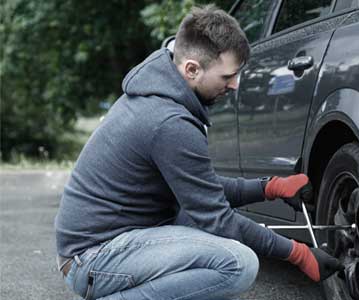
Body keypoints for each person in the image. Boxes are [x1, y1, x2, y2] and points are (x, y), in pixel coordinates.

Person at [54, 5, 343, 300]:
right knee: (236, 264)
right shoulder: (169, 123)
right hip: (93, 257)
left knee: (197, 226)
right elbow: (218, 219)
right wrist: (297, 253)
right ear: (192, 69)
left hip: (107, 241)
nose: (234, 85)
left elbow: (201, 189)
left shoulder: (160, 94)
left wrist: (268, 188)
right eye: (227, 76)